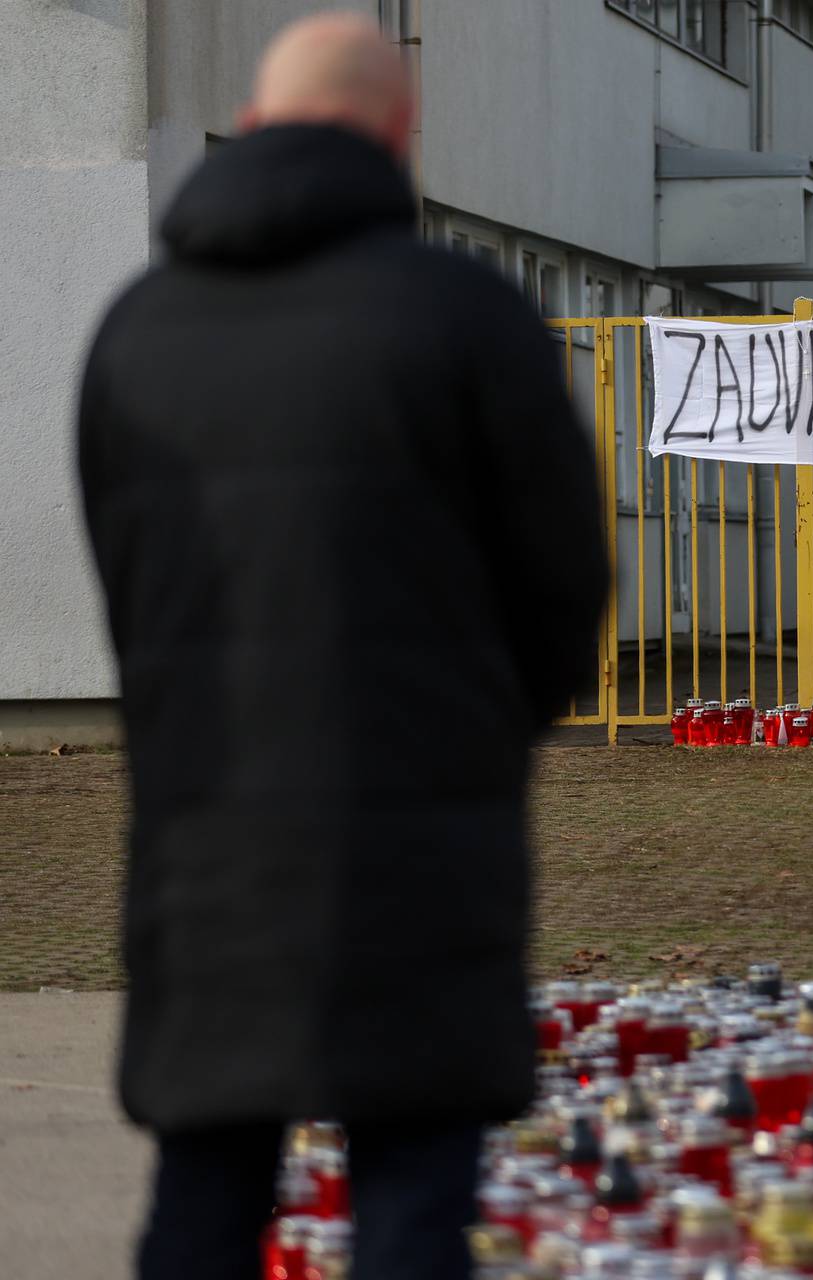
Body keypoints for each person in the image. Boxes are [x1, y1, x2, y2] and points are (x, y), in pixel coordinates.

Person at [76, 13, 606, 1279]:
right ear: (399, 132)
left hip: (207, 837)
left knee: (204, 1190)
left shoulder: (138, 334)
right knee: (415, 1187)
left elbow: (132, 590)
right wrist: (482, 727)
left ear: (252, 130)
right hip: (421, 831)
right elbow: (564, 583)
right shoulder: (467, 316)